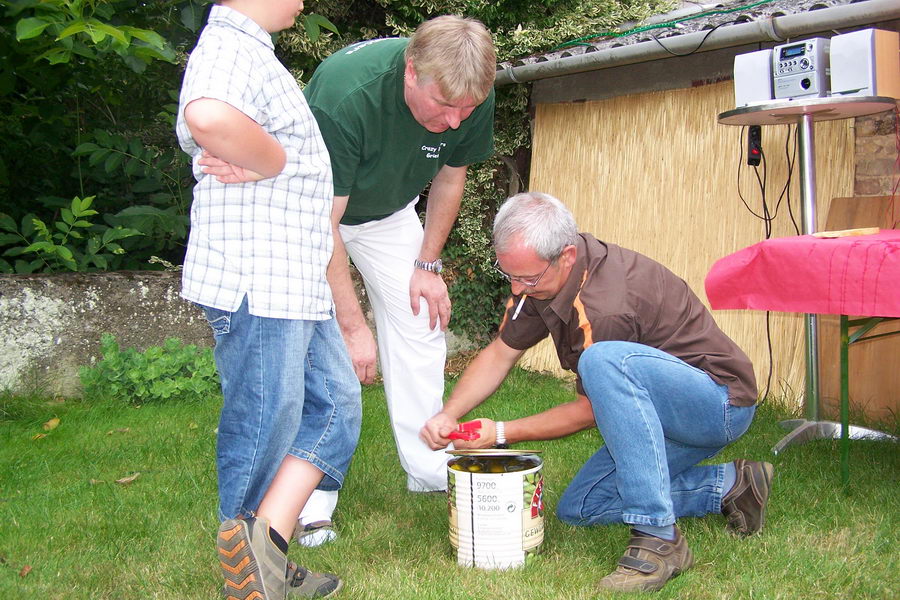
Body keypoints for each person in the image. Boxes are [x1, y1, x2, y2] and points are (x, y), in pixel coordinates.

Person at [421, 192, 774, 593]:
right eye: (510, 276)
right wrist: (449, 413)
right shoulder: (542, 279)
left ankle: (658, 540)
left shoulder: (606, 305)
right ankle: (731, 484)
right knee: (583, 507)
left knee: (604, 362)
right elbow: (501, 353)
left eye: (528, 278)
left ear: (566, 256)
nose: (518, 288)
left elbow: (590, 410)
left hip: (716, 404)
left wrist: (500, 433)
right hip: (658, 414)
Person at [176, 1, 360, 598]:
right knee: (262, 426)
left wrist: (266, 163)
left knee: (335, 408)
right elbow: (206, 115)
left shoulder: (252, 50)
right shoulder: (230, 44)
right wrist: (272, 161)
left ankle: (266, 557)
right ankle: (251, 579)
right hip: (260, 279)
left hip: (293, 284)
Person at [295, 15, 497, 546]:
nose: (455, 122)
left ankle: (428, 468)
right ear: (411, 71)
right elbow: (323, 222)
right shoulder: (346, 96)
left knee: (421, 322)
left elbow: (452, 177)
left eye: (466, 110)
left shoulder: (470, 88)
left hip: (385, 214)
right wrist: (354, 326)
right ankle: (311, 504)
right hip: (307, 217)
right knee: (327, 353)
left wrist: (427, 265)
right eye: (443, 107)